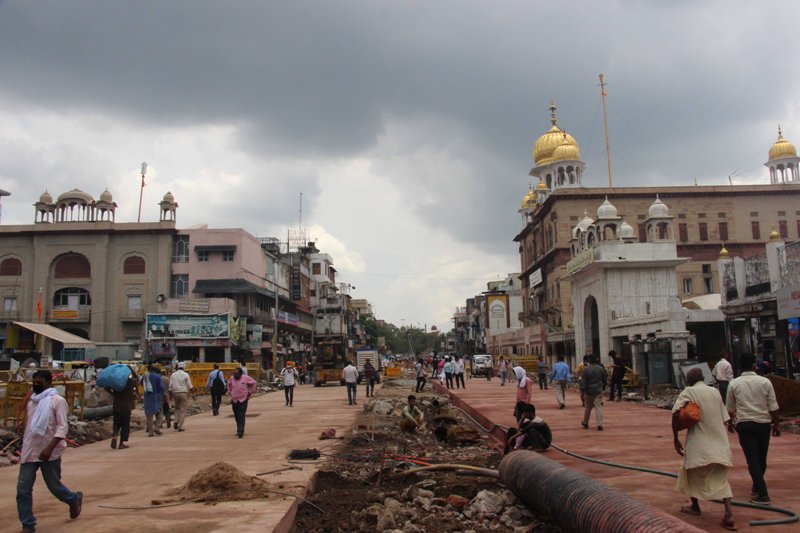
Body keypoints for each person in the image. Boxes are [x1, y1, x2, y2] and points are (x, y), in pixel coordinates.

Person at [17, 370, 83, 532]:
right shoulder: (32, 402)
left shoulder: (57, 401)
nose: (36, 385)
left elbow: (62, 427)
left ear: (49, 383)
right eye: (34, 382)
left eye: (39, 383)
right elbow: (29, 425)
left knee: (54, 487)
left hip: (49, 452)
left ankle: (73, 499)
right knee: (23, 490)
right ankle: (28, 524)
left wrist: (49, 448)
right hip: (30, 451)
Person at [672, 367, 735, 531]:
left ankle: (695, 506)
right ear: (703, 378)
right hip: (720, 445)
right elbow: (725, 418)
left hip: (699, 445)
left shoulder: (689, 391)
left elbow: (675, 414)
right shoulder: (715, 392)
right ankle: (729, 513)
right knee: (721, 480)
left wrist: (675, 438)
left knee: (690, 473)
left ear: (689, 380)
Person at [726, 352, 781, 505]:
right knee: (762, 459)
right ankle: (758, 488)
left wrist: (730, 423)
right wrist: (776, 425)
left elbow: (730, 408)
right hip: (763, 424)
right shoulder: (765, 382)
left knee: (752, 459)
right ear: (754, 365)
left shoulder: (734, 384)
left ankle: (762, 493)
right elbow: (774, 407)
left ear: (739, 366)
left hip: (745, 424)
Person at [108, 367, 137, 449]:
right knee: (125, 425)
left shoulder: (116, 383)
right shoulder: (130, 382)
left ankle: (114, 436)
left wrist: (114, 394)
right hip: (126, 407)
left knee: (116, 423)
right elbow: (137, 378)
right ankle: (121, 443)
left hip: (117, 406)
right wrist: (131, 370)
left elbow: (106, 387)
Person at [227, 367, 257, 438]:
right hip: (234, 400)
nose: (235, 375)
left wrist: (250, 391)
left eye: (237, 373)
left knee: (241, 414)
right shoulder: (232, 378)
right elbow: (229, 385)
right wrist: (229, 391)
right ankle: (239, 428)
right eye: (234, 373)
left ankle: (240, 430)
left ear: (240, 374)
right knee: (236, 415)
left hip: (243, 399)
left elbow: (254, 383)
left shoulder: (245, 378)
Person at [581, 355, 607, 431]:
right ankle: (599, 424)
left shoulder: (586, 369)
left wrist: (583, 389)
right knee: (598, 407)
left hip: (588, 390)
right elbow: (604, 379)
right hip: (598, 390)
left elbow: (583, 380)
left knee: (588, 407)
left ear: (589, 360)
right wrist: (603, 387)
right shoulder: (600, 368)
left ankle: (585, 422)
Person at [169, 362, 195, 432]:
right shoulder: (186, 374)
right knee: (182, 410)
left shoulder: (173, 375)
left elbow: (170, 386)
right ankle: (180, 426)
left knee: (177, 408)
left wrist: (170, 396)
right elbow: (190, 386)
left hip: (175, 393)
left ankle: (175, 421)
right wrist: (193, 394)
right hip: (183, 393)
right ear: (183, 367)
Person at [141, 364, 165, 437]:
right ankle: (157, 428)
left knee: (149, 415)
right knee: (160, 413)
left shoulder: (145, 376)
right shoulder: (158, 377)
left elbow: (141, 384)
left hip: (147, 397)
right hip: (156, 396)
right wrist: (162, 395)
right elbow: (162, 387)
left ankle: (150, 432)